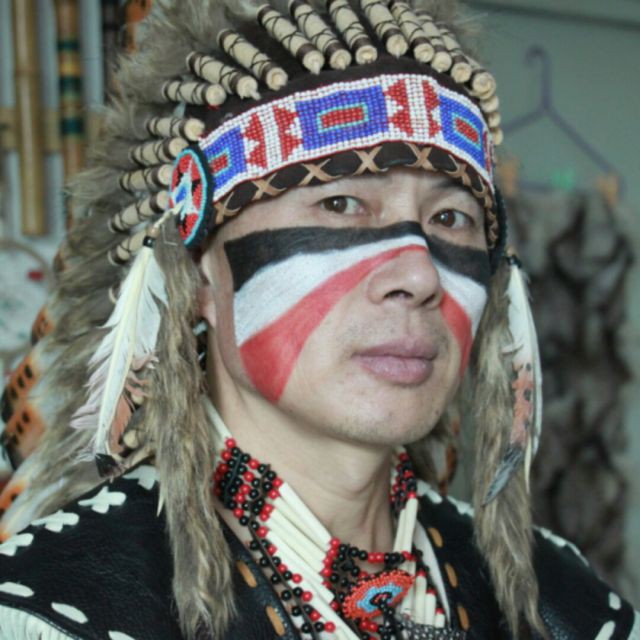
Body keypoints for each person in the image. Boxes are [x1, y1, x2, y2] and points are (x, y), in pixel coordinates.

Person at [0, 1, 637, 638]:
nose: (420, 276)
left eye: (451, 218)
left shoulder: (568, 609)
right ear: (197, 276)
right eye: (340, 203)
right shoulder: (58, 614)